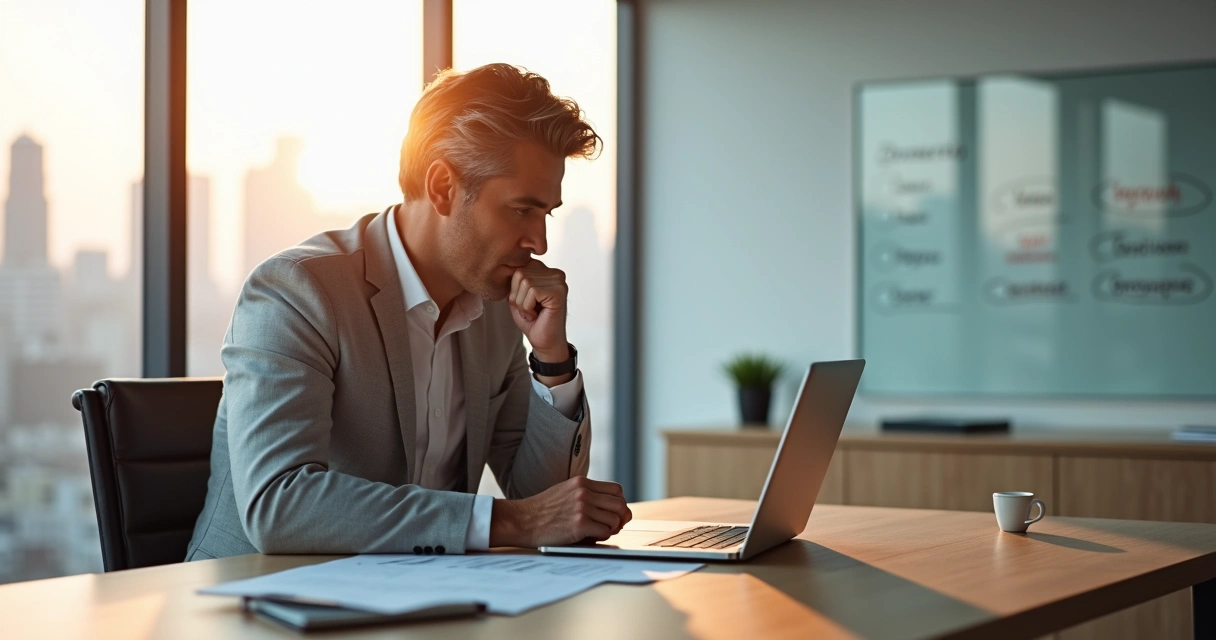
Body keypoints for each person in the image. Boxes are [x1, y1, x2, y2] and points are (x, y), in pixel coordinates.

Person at [186, 63, 631, 559]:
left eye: (546, 213)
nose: (539, 241)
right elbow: (279, 505)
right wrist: (512, 521)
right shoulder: (297, 291)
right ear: (442, 187)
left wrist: (551, 359)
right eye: (522, 209)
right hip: (254, 604)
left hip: (414, 602)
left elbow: (546, 509)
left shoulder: (497, 314)